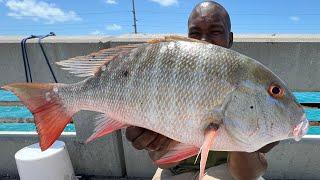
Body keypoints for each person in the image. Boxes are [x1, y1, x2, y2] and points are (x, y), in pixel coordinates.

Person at [126, 1, 279, 179]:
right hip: (175, 170)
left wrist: (251, 142)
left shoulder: (250, 81)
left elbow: (247, 174)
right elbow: (164, 162)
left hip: (228, 171)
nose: (204, 41)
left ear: (230, 38)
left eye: (215, 31)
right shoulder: (167, 79)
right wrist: (152, 143)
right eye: (195, 33)